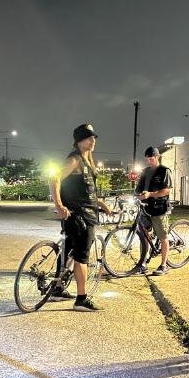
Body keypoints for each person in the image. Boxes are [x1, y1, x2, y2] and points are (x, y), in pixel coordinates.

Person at [49, 123, 114, 311]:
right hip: (80, 217)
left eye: (94, 137)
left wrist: (101, 204)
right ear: (79, 141)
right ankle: (81, 299)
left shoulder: (88, 160)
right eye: (89, 137)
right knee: (81, 257)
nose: (93, 140)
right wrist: (59, 205)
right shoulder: (75, 160)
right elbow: (54, 179)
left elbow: (86, 191)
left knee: (69, 253)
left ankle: (57, 289)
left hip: (86, 213)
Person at [135, 146, 173, 275]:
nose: (148, 161)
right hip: (146, 207)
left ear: (157, 157)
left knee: (163, 236)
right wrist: (137, 195)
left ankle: (163, 265)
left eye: (151, 159)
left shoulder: (164, 171)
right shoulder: (145, 171)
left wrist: (150, 194)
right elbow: (139, 188)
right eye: (147, 159)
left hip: (159, 207)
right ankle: (143, 262)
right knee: (143, 234)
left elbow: (167, 190)